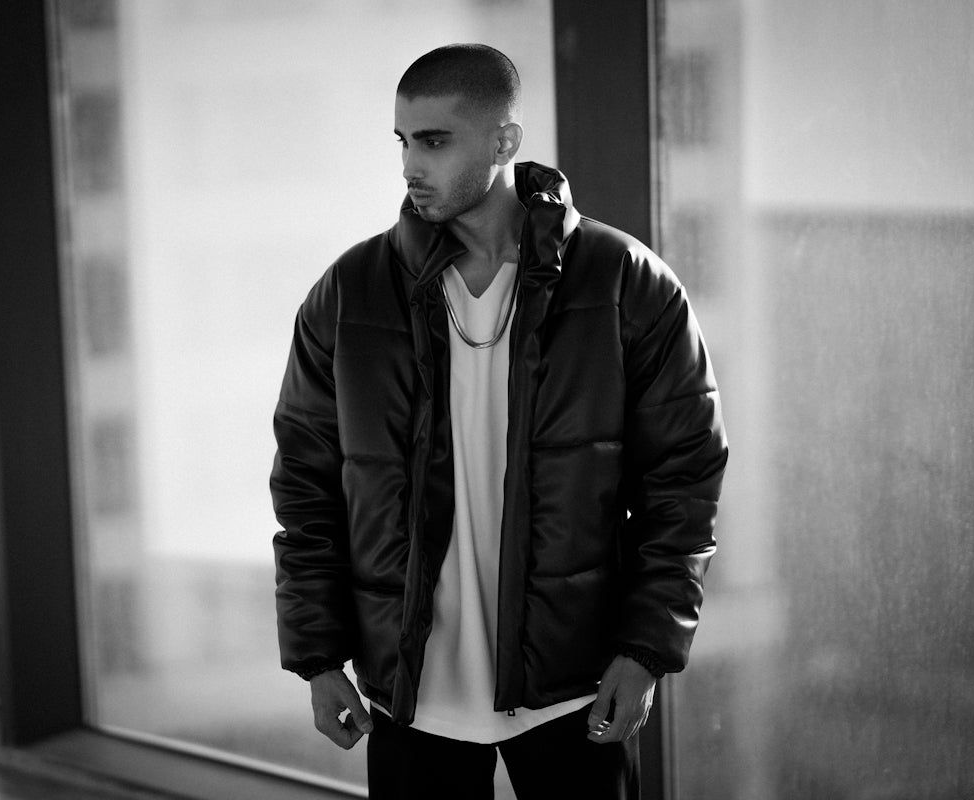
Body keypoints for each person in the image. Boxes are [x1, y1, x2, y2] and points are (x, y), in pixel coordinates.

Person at [270, 43, 727, 799]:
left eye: (436, 141)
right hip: (410, 696)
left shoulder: (624, 283)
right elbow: (306, 489)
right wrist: (319, 658)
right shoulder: (350, 295)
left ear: (505, 143)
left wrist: (646, 650)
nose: (411, 164)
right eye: (404, 141)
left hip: (574, 688)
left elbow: (684, 481)